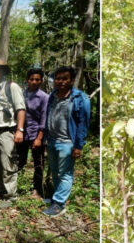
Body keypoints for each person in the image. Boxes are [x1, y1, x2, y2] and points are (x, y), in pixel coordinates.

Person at [42, 66, 90, 216]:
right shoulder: (53, 96)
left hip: (67, 142)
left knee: (65, 174)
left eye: (65, 79)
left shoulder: (80, 98)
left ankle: (59, 204)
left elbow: (83, 123)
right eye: (58, 78)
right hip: (52, 140)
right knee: (55, 172)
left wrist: (78, 146)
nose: (61, 81)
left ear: (71, 80)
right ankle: (57, 198)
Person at [0, 59, 26, 199]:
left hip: (6, 131)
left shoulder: (12, 87)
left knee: (8, 164)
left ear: (3, 71)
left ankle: (11, 195)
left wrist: (20, 130)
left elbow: (20, 108)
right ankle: (0, 190)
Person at [17, 68, 50, 202]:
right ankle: (18, 185)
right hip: (23, 134)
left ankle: (37, 188)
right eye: (32, 79)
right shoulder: (22, 95)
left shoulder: (44, 97)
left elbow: (44, 118)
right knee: (20, 160)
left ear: (41, 81)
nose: (34, 82)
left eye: (37, 79)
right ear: (27, 80)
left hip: (36, 134)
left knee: (38, 163)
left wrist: (39, 138)